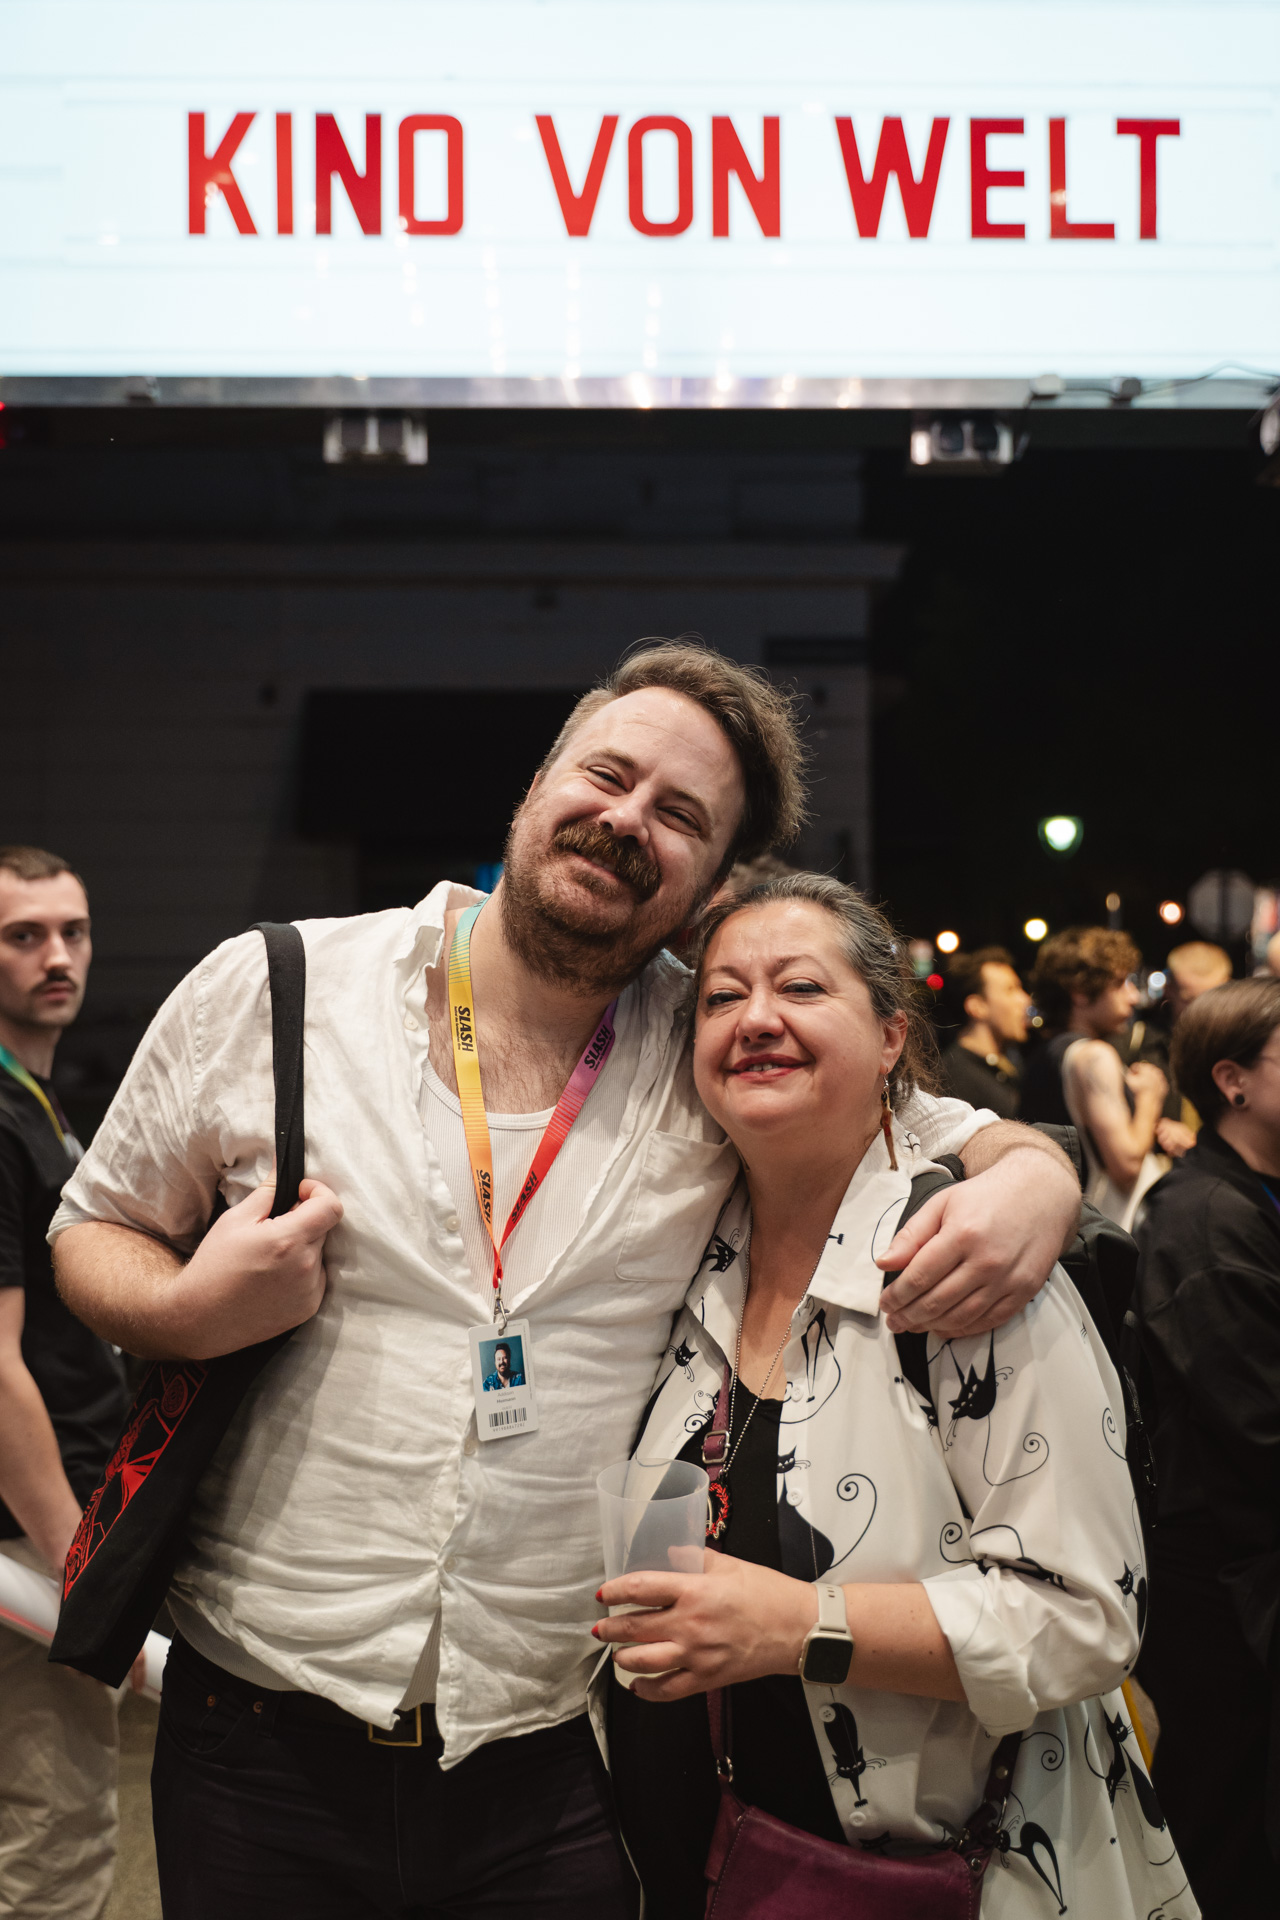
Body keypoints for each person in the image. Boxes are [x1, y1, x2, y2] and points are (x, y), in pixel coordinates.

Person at [50, 640, 1081, 1920]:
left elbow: (918, 1116)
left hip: (549, 1762)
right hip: (254, 1741)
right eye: (607, 774)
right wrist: (187, 1310)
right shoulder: (277, 986)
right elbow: (91, 1230)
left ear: (710, 879)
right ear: (539, 781)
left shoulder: (704, 1049)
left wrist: (1036, 1174)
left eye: (681, 815)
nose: (627, 819)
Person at [598, 875, 1191, 1919]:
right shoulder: (690, 1257)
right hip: (703, 1864)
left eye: (799, 988)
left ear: (888, 1040)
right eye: (723, 997)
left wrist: (794, 1624)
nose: (756, 1019)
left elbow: (1085, 1618)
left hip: (944, 1877)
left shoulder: (964, 1268)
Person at [1132, 978, 1280, 1918]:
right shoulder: (1203, 1216)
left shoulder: (1249, 1194)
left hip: (1245, 1561)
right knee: (1226, 1841)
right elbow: (1259, 1424)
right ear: (1234, 1081)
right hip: (1223, 1586)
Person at [0, 846, 129, 1920]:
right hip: (24, 1537)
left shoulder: (35, 1101)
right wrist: (70, 1554)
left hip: (41, 1523)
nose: (57, 956)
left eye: (72, 932)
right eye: (23, 936)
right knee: (57, 1830)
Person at [1022, 926, 1168, 1228]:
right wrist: (1150, 1098)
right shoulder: (1094, 1056)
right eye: (1119, 983)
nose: (1133, 996)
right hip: (1108, 1228)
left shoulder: (1044, 1054)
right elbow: (1126, 1165)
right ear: (1080, 991)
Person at [1151, 942, 1233, 1159]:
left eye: (1212, 997)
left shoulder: (1241, 1045)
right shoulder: (1139, 1043)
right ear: (1169, 989)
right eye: (1190, 999)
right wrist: (1156, 1127)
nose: (1202, 1009)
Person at [939, 946, 1031, 1119]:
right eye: (1011, 989)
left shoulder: (1006, 1063)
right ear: (977, 1007)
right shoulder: (956, 1079)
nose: (1025, 1000)